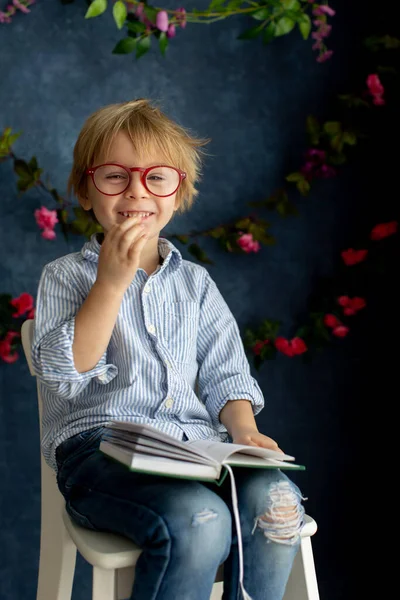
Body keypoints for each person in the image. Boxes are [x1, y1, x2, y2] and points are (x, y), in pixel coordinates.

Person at [31, 98, 305, 600]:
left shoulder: (196, 284)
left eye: (156, 178)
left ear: (178, 194)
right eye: (115, 176)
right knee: (200, 521)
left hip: (197, 450)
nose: (137, 190)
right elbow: (64, 372)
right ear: (85, 191)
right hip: (100, 454)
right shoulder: (66, 276)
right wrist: (110, 285)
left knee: (277, 500)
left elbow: (227, 373)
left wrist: (244, 431)